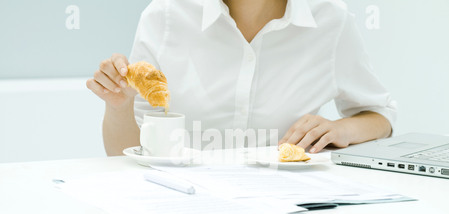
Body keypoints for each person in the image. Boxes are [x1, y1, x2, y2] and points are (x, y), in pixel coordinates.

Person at [87, 0, 396, 156]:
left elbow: (381, 115)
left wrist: (341, 129)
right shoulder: (166, 15)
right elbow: (126, 154)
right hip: (182, 209)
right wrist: (119, 107)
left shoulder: (331, 20)